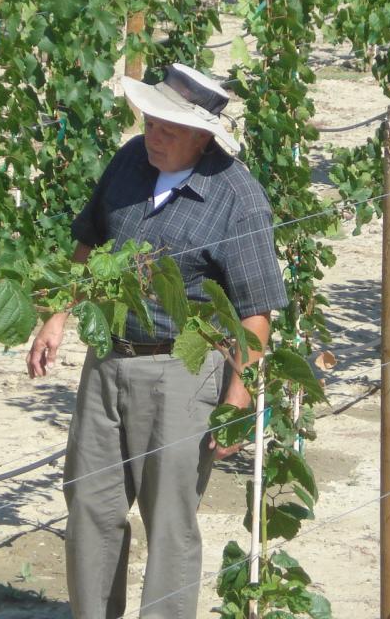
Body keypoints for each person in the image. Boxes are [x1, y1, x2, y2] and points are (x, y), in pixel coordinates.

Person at [27, 63, 288, 619]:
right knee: (89, 505)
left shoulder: (237, 198)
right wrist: (57, 316)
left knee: (170, 521)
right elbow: (89, 244)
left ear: (202, 137)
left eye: (169, 129)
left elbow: (255, 313)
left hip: (182, 373)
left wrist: (237, 401)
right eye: (150, 123)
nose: (154, 136)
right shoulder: (129, 161)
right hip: (106, 360)